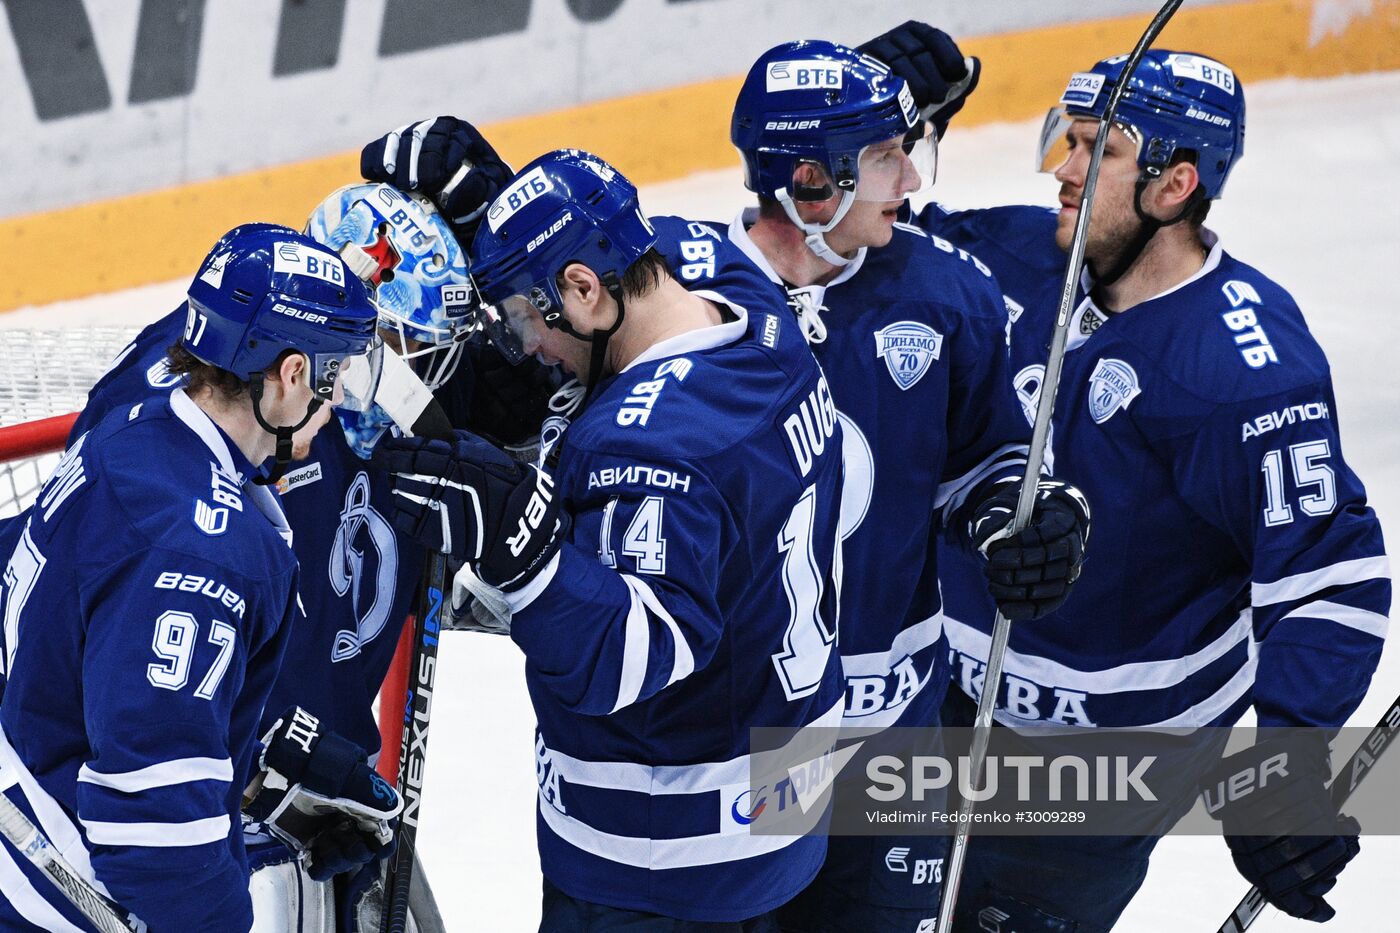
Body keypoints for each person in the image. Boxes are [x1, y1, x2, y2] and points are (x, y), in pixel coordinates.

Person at [863, 24, 1390, 929]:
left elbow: (1330, 577)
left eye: (1097, 150)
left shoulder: (1246, 370)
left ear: (1174, 186)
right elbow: (861, 252)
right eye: (1066, 140)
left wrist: (1286, 770)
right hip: (936, 705)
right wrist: (874, 122)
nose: (1060, 169)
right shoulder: (1022, 257)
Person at [375, 148, 848, 927]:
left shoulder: (646, 448)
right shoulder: (728, 276)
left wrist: (518, 543)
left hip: (667, 855)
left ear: (584, 289)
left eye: (529, 314)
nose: (527, 344)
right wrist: (510, 223)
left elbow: (631, 654)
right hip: (788, 795)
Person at [65, 185, 487, 931]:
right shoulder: (216, 439)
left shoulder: (400, 432)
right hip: (212, 814)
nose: (418, 378)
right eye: (399, 349)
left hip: (325, 799)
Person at [0, 227, 401, 931]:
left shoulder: (140, 428)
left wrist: (258, 771)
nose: (336, 403)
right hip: (46, 893)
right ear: (292, 374)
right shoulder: (199, 550)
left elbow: (102, 660)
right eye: (334, 374)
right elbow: (154, 830)